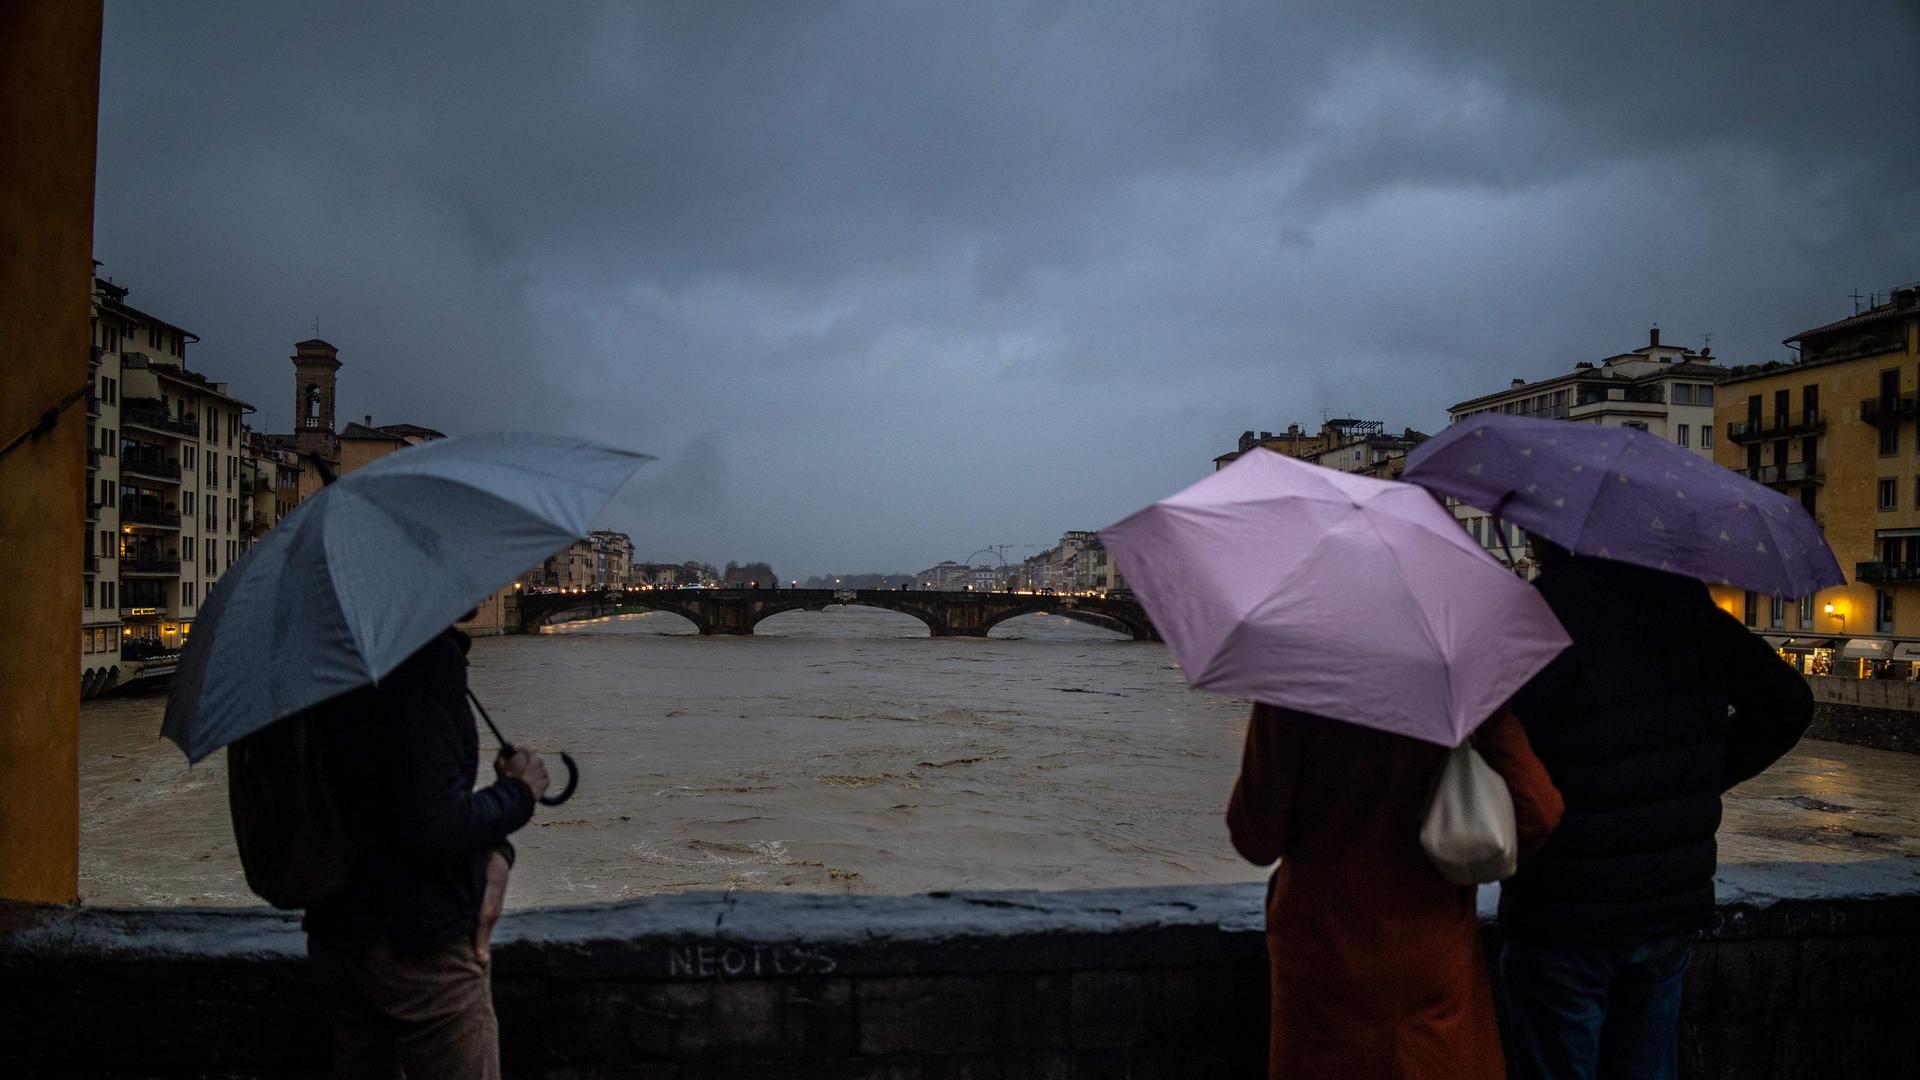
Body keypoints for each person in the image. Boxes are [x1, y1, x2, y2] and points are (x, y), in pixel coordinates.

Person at [1498, 541, 1813, 1080]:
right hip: (1668, 903)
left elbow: (1504, 742)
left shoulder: (1542, 610)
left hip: (1564, 906)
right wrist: (1699, 775)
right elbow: (1788, 703)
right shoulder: (1685, 604)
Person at [1227, 703, 1563, 1079]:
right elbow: (1537, 814)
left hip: (1323, 958)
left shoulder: (1292, 693)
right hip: (1429, 956)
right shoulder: (1459, 697)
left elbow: (1255, 839)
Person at [303, 626, 550, 1079]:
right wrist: (519, 792)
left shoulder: (331, 645)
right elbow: (434, 826)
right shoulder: (422, 657)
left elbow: (380, 799)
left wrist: (497, 846)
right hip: (419, 943)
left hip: (336, 932)